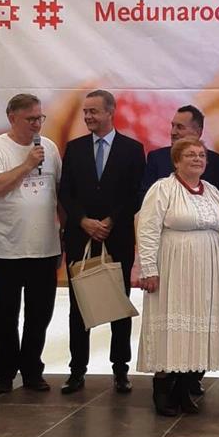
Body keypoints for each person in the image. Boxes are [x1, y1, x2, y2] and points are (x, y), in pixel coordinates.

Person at [139, 104, 219, 395]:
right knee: (173, 324)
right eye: (190, 155)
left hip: (208, 270)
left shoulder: (213, 191)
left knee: (199, 323)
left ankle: (188, 385)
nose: (197, 159)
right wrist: (148, 269)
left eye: (201, 155)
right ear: (176, 161)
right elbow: (148, 229)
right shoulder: (162, 189)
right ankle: (164, 388)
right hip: (173, 267)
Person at [59, 90, 145, 395]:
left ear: (110, 112)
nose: (88, 116)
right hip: (81, 237)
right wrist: (83, 220)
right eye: (85, 111)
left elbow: (136, 193)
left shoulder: (132, 149)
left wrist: (110, 220)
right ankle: (76, 371)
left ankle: (120, 370)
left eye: (93, 111)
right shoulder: (74, 148)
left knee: (118, 304)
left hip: (116, 236)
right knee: (79, 306)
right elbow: (65, 192)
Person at [0, 94, 62, 393]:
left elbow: (59, 192)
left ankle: (32, 370)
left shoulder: (49, 147)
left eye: (40, 118)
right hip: (8, 247)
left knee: (39, 314)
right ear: (12, 117)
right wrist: (27, 164)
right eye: (30, 119)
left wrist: (64, 233)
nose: (37, 124)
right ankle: (4, 373)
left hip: (46, 246)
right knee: (6, 314)